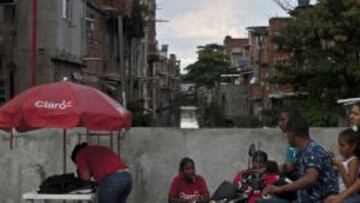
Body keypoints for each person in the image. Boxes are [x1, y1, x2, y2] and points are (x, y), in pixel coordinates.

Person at [259, 114, 339, 203]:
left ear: (292, 133)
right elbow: (289, 167)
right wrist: (266, 169)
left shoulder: (312, 151)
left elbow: (310, 179)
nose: (287, 137)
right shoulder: (302, 152)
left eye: (287, 133)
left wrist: (280, 189)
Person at [325, 102, 360, 203]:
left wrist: (340, 197)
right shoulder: (356, 135)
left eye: (356, 114)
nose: (351, 116)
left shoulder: (354, 159)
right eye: (351, 113)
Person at [278, 111, 300, 179]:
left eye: (283, 120)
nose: (279, 124)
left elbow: (290, 167)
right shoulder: (291, 143)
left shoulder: (296, 143)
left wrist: (272, 169)